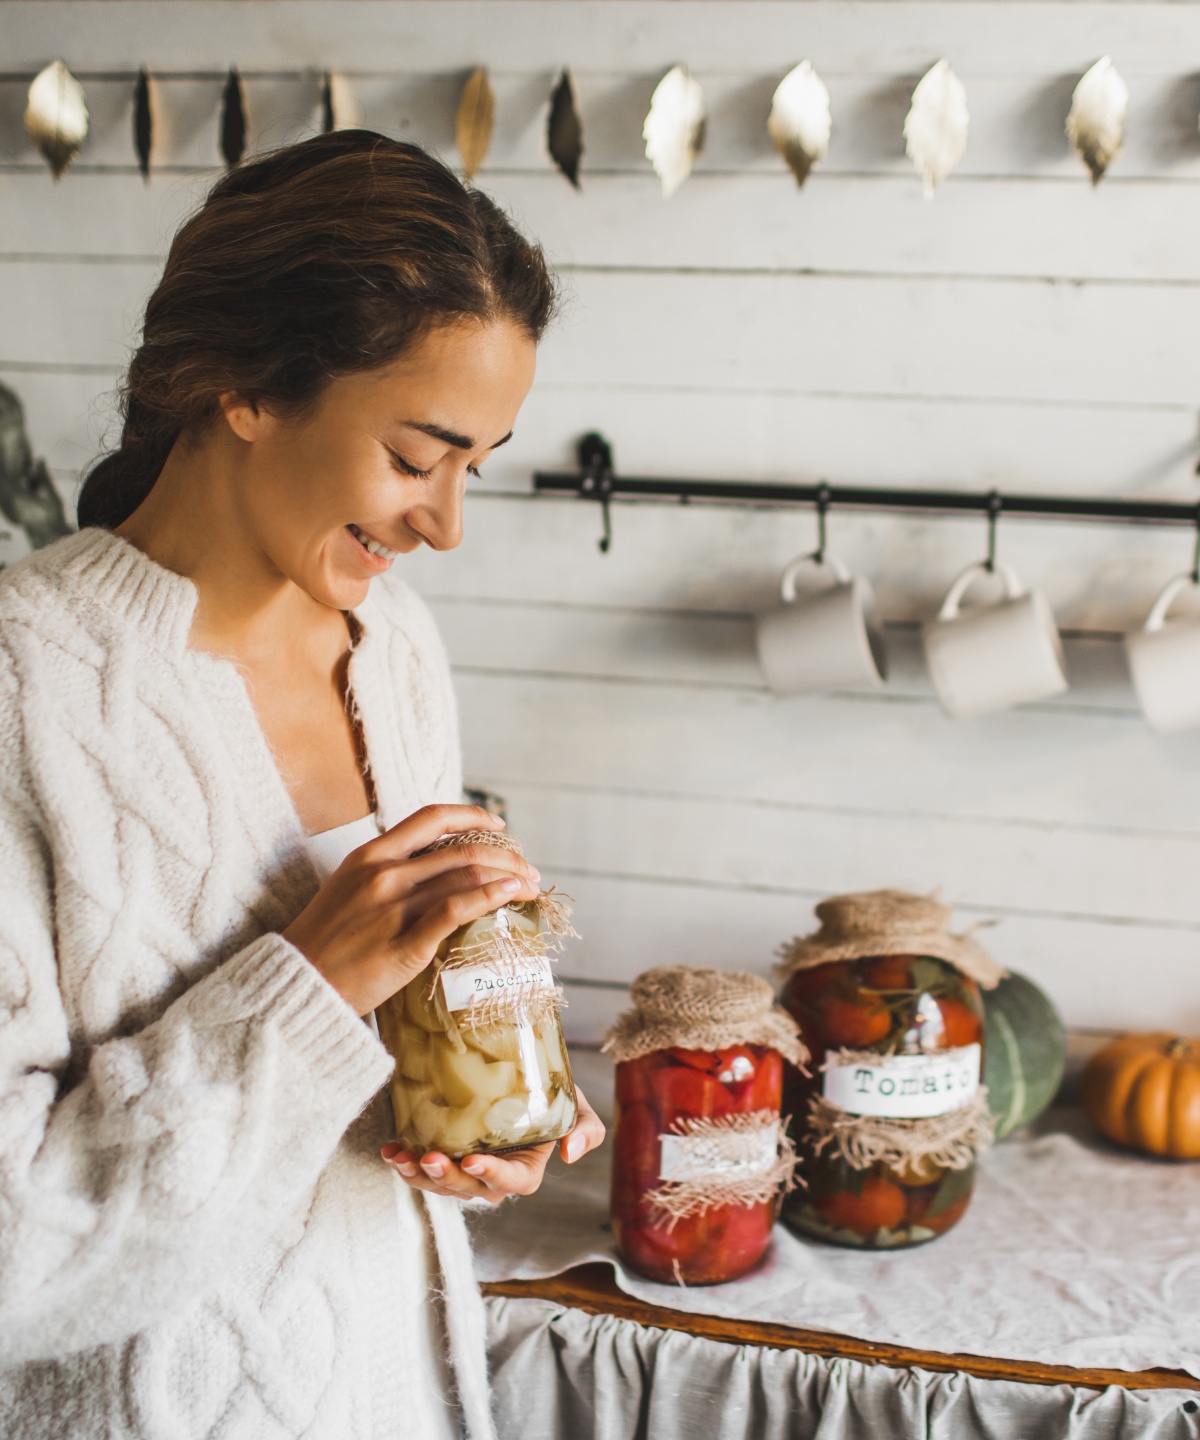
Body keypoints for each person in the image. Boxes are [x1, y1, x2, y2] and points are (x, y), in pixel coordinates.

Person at [0, 130, 605, 1440]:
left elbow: (364, 1062)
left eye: (476, 465)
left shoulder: (397, 652)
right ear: (245, 388)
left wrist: (474, 1100)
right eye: (414, 455)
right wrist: (309, 988)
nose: (447, 524)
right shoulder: (23, 687)